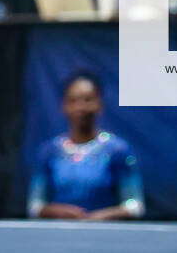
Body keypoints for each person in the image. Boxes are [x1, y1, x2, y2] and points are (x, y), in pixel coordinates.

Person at [28, 72, 143, 221]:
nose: (80, 107)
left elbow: (135, 205)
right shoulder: (50, 151)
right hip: (59, 235)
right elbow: (34, 206)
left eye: (88, 99)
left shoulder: (117, 150)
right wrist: (57, 211)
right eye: (73, 100)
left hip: (105, 236)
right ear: (64, 106)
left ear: (99, 105)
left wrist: (99, 217)